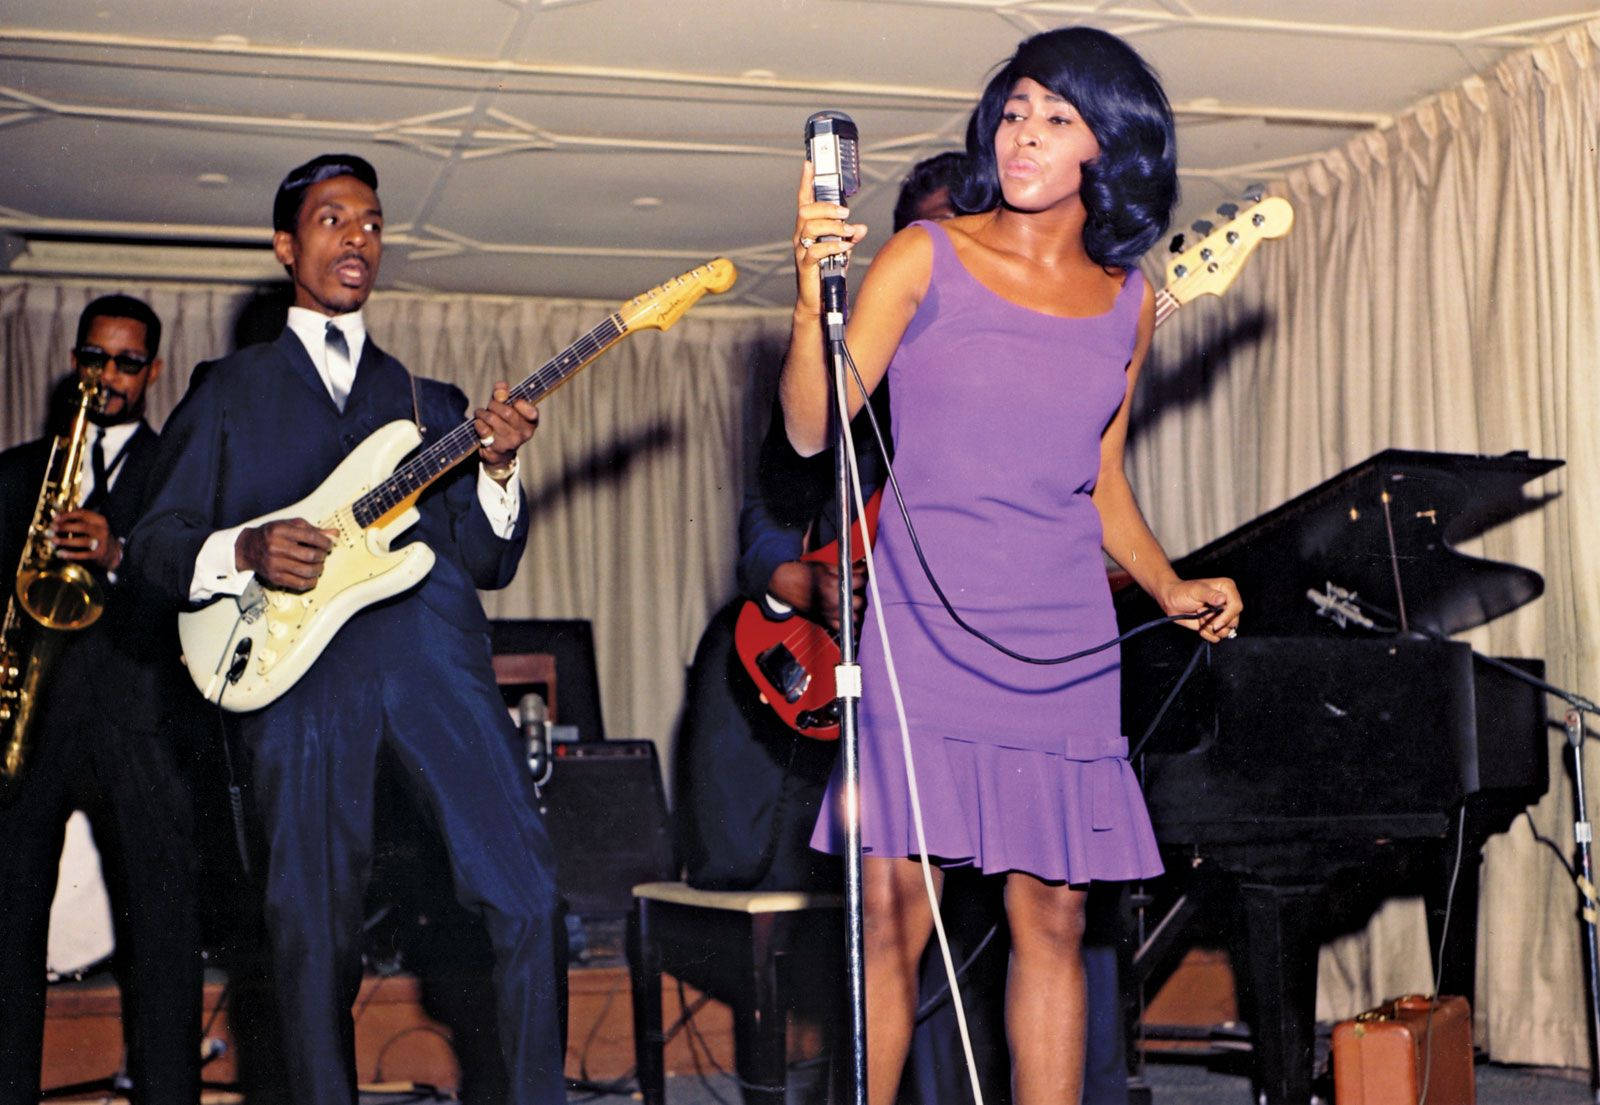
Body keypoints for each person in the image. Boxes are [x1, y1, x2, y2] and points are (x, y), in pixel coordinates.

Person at [784, 27, 1243, 1105]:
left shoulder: (1127, 300)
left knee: (1056, 917)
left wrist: (1169, 584)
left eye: (1058, 117)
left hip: (1061, 641)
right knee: (891, 917)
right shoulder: (924, 256)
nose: (1025, 133)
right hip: (924, 633)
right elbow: (812, 427)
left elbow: (1101, 479)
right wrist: (810, 304)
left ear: (1107, 147)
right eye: (1016, 110)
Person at [126, 153, 564, 1104]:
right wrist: (244, 549)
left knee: (528, 895)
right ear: (286, 247)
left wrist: (498, 471)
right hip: (297, 676)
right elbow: (152, 546)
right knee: (310, 940)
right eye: (332, 220)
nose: (357, 236)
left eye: (371, 221)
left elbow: (487, 559)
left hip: (432, 661)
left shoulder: (428, 403)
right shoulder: (227, 389)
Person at [0, 295, 203, 1105]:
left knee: (163, 939)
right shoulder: (17, 473)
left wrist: (118, 554)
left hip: (141, 724)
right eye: (95, 358)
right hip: (33, 721)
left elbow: (196, 594)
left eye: (127, 363)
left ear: (153, 372)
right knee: (8, 936)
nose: (107, 377)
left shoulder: (180, 473)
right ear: (73, 362)